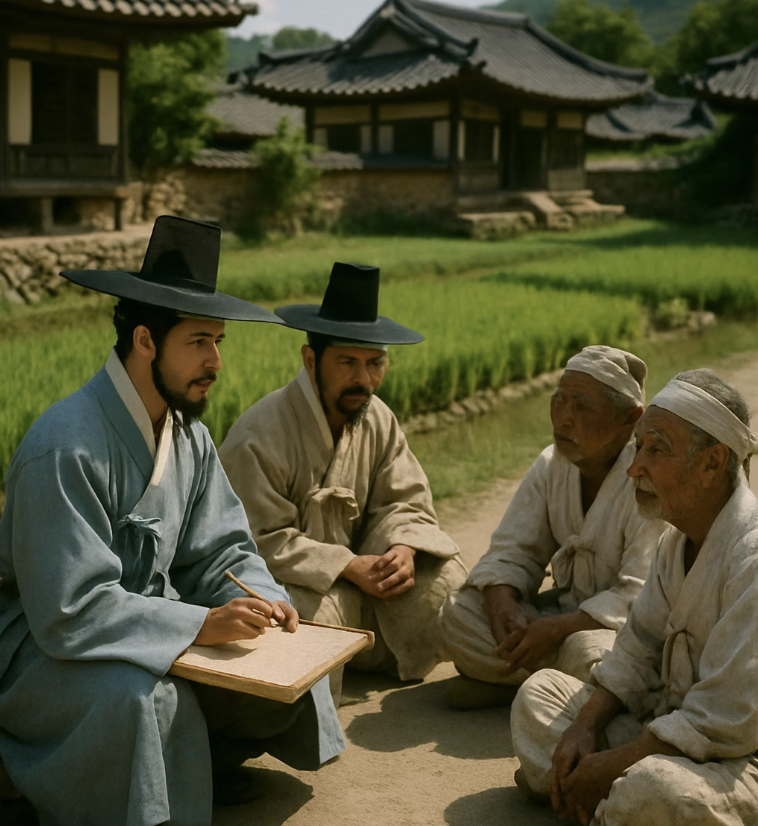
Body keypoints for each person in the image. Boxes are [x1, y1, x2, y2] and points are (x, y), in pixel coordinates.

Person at [0, 216, 345, 826]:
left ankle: (190, 766)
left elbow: (222, 552)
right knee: (141, 698)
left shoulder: (190, 437)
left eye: (219, 342)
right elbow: (68, 608)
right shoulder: (66, 445)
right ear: (144, 340)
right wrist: (197, 624)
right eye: (199, 343)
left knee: (289, 665)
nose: (215, 361)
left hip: (148, 623)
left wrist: (264, 599)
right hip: (43, 646)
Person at [511, 369, 758, 826]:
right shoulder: (676, 540)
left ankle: (591, 794)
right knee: (538, 698)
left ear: (711, 462)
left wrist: (614, 763)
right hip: (670, 729)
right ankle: (601, 799)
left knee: (655, 789)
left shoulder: (751, 556)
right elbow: (637, 648)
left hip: (739, 759)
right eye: (639, 445)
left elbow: (724, 717)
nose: (634, 466)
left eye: (656, 449)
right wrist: (585, 728)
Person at [219, 262, 467, 703]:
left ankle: (374, 658)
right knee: (315, 613)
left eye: (376, 364)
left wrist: (403, 549)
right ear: (311, 360)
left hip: (367, 589)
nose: (364, 379)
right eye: (348, 362)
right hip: (297, 585)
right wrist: (347, 566)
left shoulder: (378, 418)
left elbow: (405, 501)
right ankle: (313, 696)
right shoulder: (261, 433)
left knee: (448, 583)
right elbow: (254, 540)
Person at [439, 346, 665, 709]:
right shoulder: (551, 465)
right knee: (457, 612)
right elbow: (512, 550)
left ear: (630, 419)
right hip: (556, 621)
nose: (563, 418)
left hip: (609, 636)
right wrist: (503, 609)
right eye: (558, 401)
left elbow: (638, 600)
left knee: (595, 654)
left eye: (581, 406)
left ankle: (516, 683)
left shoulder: (649, 481)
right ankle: (556, 692)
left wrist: (557, 630)